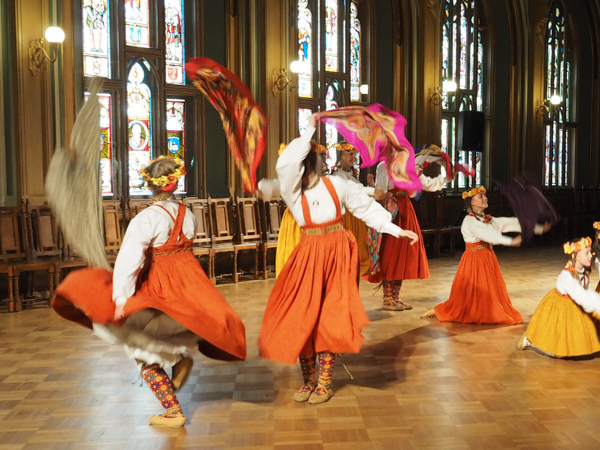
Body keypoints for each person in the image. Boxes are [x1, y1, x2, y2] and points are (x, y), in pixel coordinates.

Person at [52, 156, 246, 428]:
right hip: (190, 289)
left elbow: (129, 260)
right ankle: (179, 359)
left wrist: (121, 299)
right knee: (174, 332)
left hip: (159, 289)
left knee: (138, 344)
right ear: (174, 183)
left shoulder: (146, 218)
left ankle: (173, 410)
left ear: (149, 184)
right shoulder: (187, 214)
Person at [258, 113, 418, 404]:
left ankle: (325, 382)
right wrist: (308, 130)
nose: (295, 172)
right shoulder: (292, 192)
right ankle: (308, 380)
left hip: (337, 252)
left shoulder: (338, 185)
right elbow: (286, 164)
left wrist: (396, 230)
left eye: (301, 166)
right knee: (302, 315)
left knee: (329, 316)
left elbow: (367, 209)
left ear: (311, 165)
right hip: (308, 252)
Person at [422, 186, 548, 324]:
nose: (485, 198)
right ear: (472, 202)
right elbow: (487, 234)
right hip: (475, 259)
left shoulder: (487, 219)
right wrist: (510, 241)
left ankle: (488, 309)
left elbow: (509, 222)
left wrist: (538, 228)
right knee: (474, 291)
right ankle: (451, 311)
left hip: (488, 256)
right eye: (480, 196)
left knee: (489, 289)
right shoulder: (469, 221)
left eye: (484, 195)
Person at [365, 160, 451, 311]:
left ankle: (396, 296)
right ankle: (387, 298)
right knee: (391, 254)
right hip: (393, 209)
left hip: (406, 207)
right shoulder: (383, 166)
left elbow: (412, 193)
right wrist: (373, 185)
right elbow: (380, 194)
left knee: (404, 254)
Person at [517, 237, 600, 357]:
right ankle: (530, 341)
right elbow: (582, 296)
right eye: (586, 253)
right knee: (560, 353)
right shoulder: (566, 276)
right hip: (561, 308)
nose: (590, 256)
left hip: (574, 306)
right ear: (574, 256)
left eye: (590, 252)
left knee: (578, 345)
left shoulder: (584, 271)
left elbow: (585, 292)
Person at [331, 142, 382, 276]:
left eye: (355, 154)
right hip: (347, 217)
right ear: (340, 156)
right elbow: (352, 190)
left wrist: (372, 186)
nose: (354, 157)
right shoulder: (337, 175)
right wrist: (372, 190)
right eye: (350, 154)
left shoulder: (351, 175)